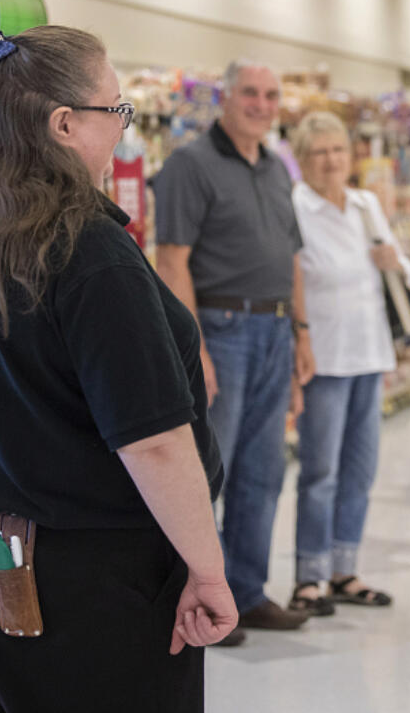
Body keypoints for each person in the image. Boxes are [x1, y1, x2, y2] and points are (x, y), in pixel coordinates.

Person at [0, 25, 237, 712]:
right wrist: (207, 568)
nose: (122, 130)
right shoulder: (86, 250)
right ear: (63, 124)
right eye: (116, 112)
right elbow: (153, 439)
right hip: (74, 574)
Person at [155, 61, 315, 644]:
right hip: (220, 330)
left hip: (274, 330)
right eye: (250, 92)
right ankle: (202, 601)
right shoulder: (189, 165)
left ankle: (246, 594)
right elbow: (171, 259)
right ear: (225, 97)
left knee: (264, 471)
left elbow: (292, 258)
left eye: (272, 95)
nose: (262, 103)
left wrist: (301, 332)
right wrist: (193, 347)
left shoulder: (276, 168)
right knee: (208, 472)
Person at [285, 111, 410, 615]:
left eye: (338, 150)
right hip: (325, 357)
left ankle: (344, 570)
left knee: (360, 470)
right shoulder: (294, 208)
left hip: (369, 352)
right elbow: (289, 277)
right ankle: (308, 577)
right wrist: (300, 339)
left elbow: (406, 269)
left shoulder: (364, 205)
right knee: (320, 471)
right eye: (320, 152)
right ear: (302, 159)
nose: (332, 160)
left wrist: (395, 263)